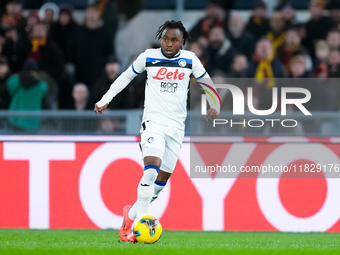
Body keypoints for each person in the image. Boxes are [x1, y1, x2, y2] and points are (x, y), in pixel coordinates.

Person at [94, 20, 220, 242]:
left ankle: (130, 215)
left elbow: (207, 83)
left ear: (182, 42)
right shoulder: (148, 57)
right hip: (153, 123)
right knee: (151, 171)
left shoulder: (190, 60)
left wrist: (215, 103)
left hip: (176, 128)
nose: (168, 44)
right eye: (165, 38)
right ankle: (137, 232)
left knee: (159, 186)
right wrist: (106, 99)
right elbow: (125, 76)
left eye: (174, 40)